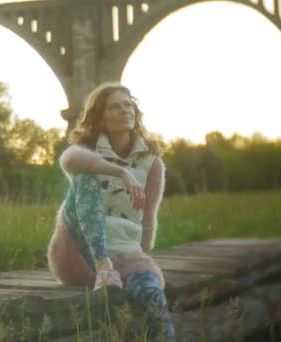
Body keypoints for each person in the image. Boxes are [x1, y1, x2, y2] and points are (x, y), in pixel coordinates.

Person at [47, 83, 176, 340]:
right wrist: (119, 171)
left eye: (128, 105)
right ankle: (103, 263)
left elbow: (149, 216)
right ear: (100, 117)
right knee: (85, 177)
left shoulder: (152, 164)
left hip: (124, 256)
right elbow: (69, 160)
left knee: (153, 298)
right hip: (79, 252)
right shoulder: (87, 152)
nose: (124, 110)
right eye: (114, 106)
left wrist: (141, 255)